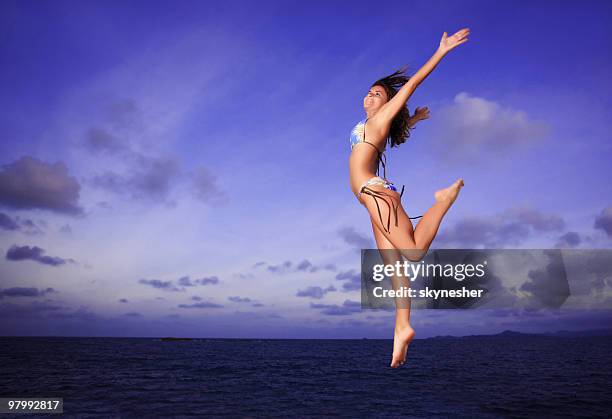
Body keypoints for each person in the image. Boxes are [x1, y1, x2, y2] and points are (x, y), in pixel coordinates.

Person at [348, 28, 470, 368]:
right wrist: (413, 120)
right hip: (371, 196)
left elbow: (413, 83)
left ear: (388, 103)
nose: (369, 97)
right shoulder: (369, 124)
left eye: (377, 94)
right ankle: (402, 327)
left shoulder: (382, 117)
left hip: (376, 192)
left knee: (413, 252)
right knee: (395, 265)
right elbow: (392, 138)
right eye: (368, 93)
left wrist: (441, 50)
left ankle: (443, 200)